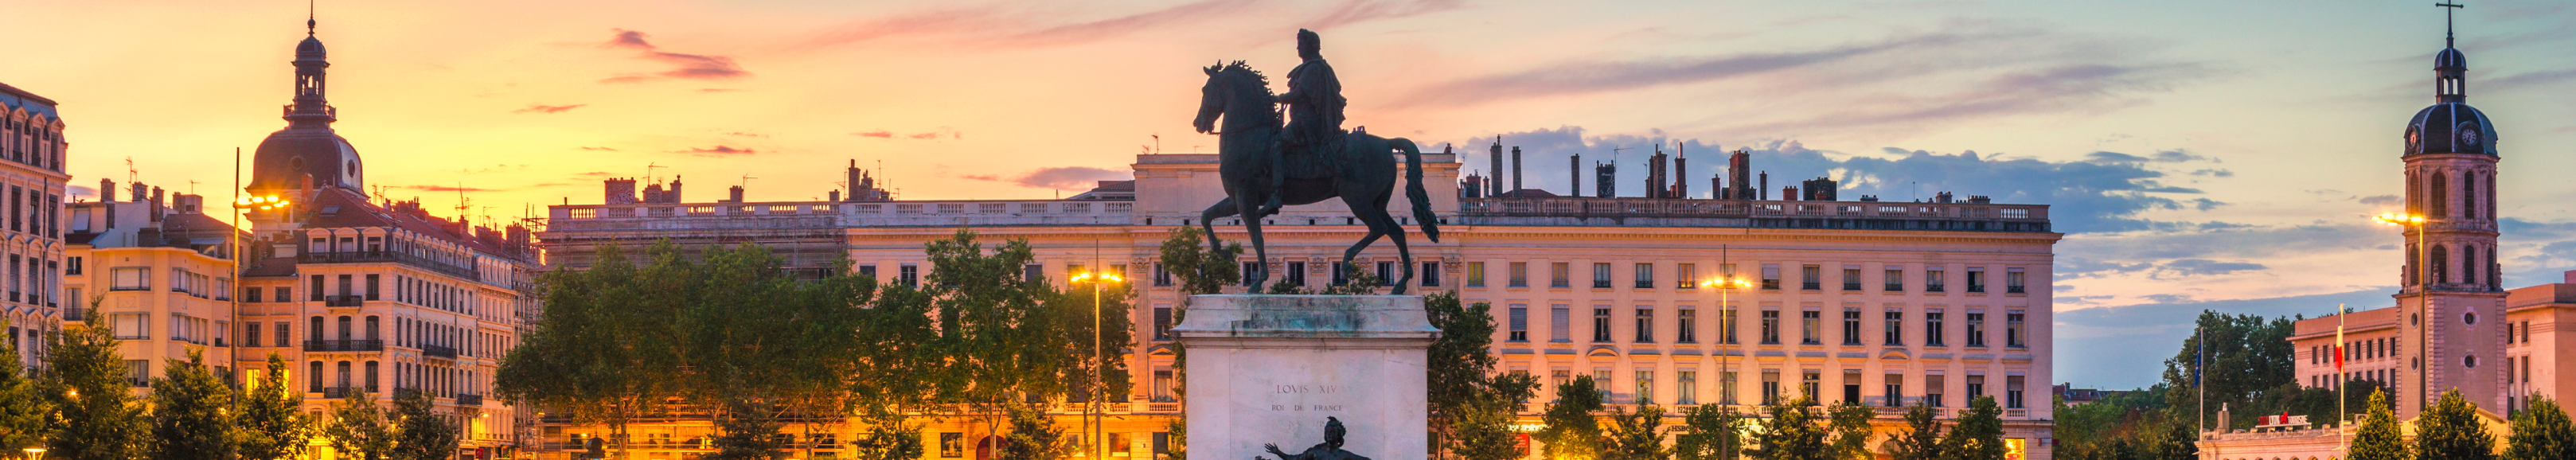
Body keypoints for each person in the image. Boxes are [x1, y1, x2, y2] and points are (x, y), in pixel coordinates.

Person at [1267, 29, 1346, 212]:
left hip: (1306, 121)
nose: (1297, 47)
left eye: (1301, 43)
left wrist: (1275, 98)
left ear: (1310, 46)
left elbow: (1298, 94)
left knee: (1277, 145)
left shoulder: (1313, 68)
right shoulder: (1313, 67)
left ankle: (1276, 195)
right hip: (1304, 119)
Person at [1263, 417, 1371, 460]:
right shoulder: (1316, 452)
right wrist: (1278, 452)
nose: (1329, 434)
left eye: (1332, 432)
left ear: (1339, 436)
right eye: (1327, 432)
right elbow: (1295, 459)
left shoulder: (1344, 456)